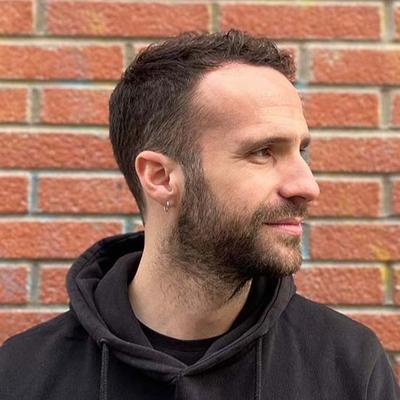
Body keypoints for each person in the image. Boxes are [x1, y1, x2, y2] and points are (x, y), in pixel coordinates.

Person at [0, 29, 399, 400]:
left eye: (301, 151)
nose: (307, 186)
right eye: (263, 152)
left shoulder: (348, 367)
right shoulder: (22, 375)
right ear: (160, 177)